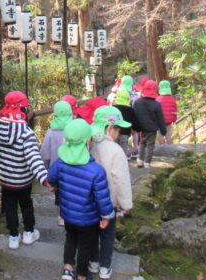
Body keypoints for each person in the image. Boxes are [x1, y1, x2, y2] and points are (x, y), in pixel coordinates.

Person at [46, 118, 115, 280]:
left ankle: (68, 268)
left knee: (70, 239)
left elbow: (50, 178)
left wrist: (54, 185)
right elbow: (102, 198)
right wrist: (107, 216)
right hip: (88, 218)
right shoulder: (96, 170)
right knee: (85, 246)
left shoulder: (60, 164)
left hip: (68, 214)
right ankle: (82, 275)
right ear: (87, 142)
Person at [0, 90, 50, 249]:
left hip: (6, 179)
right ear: (22, 110)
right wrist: (44, 178)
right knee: (26, 205)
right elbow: (33, 158)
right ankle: (29, 233)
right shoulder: (26, 133)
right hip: (23, 179)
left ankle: (13, 237)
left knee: (10, 208)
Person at [90, 106, 134, 280]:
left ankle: (92, 261)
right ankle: (105, 266)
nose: (119, 132)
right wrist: (126, 205)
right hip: (108, 202)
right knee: (108, 235)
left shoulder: (89, 144)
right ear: (108, 128)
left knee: (92, 232)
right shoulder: (116, 151)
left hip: (90, 201)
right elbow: (121, 180)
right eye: (117, 128)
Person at [41, 100, 73, 226]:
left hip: (57, 170)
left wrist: (46, 168)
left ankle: (61, 216)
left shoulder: (51, 132)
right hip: (74, 169)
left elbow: (45, 153)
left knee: (59, 195)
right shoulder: (74, 129)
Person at [132, 79, 167, 168]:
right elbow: (160, 119)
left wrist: (135, 127)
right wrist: (163, 131)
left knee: (142, 143)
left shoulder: (137, 102)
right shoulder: (156, 104)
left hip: (141, 127)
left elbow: (134, 115)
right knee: (150, 145)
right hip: (152, 128)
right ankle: (147, 162)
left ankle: (140, 160)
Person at [112, 78, 138, 159]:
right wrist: (136, 128)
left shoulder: (113, 108)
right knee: (123, 146)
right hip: (125, 132)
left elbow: (111, 121)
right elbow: (133, 120)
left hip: (114, 131)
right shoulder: (130, 108)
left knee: (115, 147)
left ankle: (115, 159)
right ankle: (124, 158)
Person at [156, 80, 178, 144]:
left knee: (160, 134)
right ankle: (169, 149)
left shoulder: (158, 99)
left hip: (160, 120)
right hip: (169, 120)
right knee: (168, 133)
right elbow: (175, 110)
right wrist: (174, 119)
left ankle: (162, 149)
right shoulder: (172, 99)